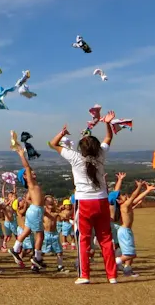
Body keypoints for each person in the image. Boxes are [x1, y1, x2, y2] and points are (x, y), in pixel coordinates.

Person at [47, 112, 119, 285]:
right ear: (96, 147)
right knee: (106, 239)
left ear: (82, 148)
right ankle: (112, 276)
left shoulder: (75, 157)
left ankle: (84, 275)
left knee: (83, 239)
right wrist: (107, 123)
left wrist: (62, 133)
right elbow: (109, 137)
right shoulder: (101, 155)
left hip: (84, 202)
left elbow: (52, 144)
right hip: (102, 200)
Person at [8, 143, 46, 272]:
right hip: (36, 210)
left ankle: (15, 248)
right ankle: (37, 257)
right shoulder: (31, 183)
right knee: (40, 235)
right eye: (29, 173)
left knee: (27, 231)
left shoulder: (34, 185)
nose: (32, 172)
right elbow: (27, 166)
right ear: (25, 176)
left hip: (33, 211)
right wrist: (21, 154)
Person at [114, 180, 155, 277]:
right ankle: (113, 263)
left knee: (130, 253)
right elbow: (134, 195)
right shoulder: (124, 205)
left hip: (126, 231)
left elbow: (137, 198)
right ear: (119, 200)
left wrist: (148, 190)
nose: (125, 196)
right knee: (130, 254)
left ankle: (127, 271)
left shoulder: (127, 205)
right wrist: (139, 186)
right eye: (123, 196)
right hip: (124, 231)